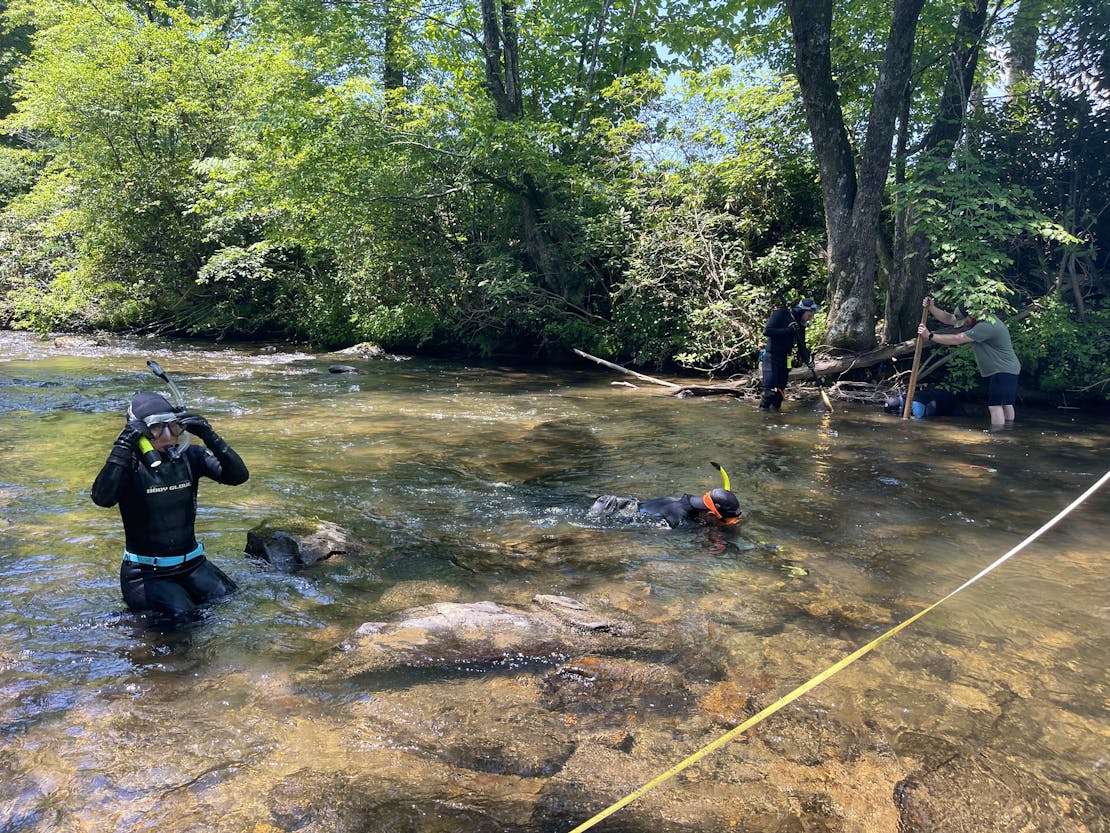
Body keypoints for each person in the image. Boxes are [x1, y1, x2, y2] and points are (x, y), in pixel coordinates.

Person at [91, 392, 249, 618]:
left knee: (233, 600)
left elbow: (238, 476)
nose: (168, 436)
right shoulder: (128, 464)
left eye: (174, 426)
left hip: (193, 564)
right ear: (140, 431)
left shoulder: (190, 456)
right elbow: (101, 498)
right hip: (146, 574)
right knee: (186, 620)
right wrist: (123, 445)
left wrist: (210, 436)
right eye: (157, 428)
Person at [917, 297, 1020, 430]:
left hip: (1003, 369)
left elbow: (957, 339)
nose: (963, 324)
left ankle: (999, 437)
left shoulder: (986, 326)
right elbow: (949, 318)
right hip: (1007, 369)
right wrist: (931, 307)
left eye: (964, 321)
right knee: (1005, 404)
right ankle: (1008, 431)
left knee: (995, 406)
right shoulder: (978, 318)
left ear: (972, 315)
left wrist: (930, 336)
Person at [588, 463, 742, 529]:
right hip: (610, 514)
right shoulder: (676, 520)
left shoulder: (689, 503)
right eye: (726, 522)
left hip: (630, 504)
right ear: (709, 514)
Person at [760, 298, 819, 410]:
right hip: (771, 357)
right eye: (809, 315)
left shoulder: (800, 326)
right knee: (770, 392)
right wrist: (787, 330)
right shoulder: (781, 314)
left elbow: (801, 346)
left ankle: (775, 420)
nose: (809, 318)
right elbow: (767, 331)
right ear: (803, 311)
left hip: (786, 359)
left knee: (779, 394)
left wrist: (808, 361)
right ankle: (763, 418)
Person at [884, 388, 962, 419]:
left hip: (948, 402)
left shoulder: (916, 407)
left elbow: (920, 420)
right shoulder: (906, 397)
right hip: (941, 394)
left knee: (960, 418)